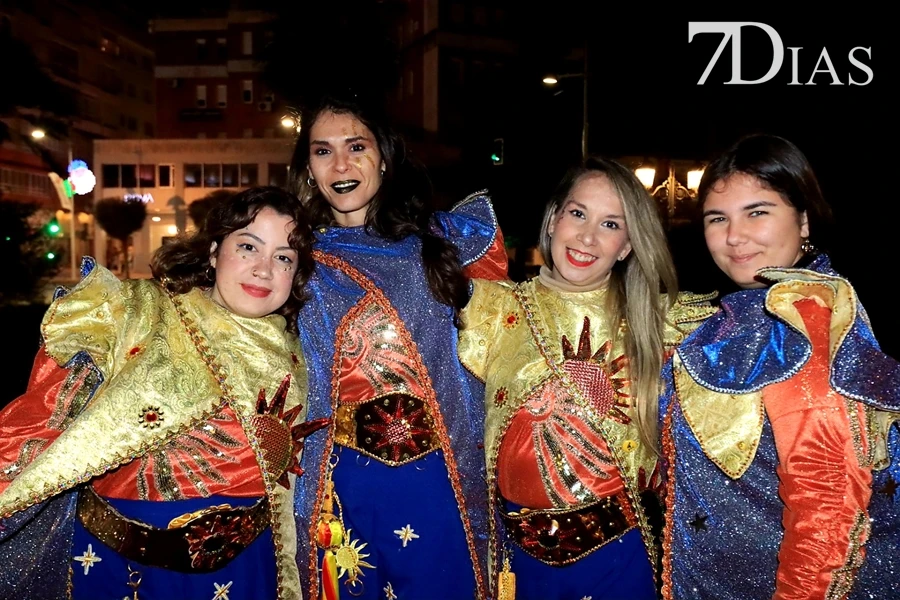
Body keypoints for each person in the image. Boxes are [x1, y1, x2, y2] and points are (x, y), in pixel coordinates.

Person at [0, 186, 328, 600]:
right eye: (248, 247)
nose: (264, 269)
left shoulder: (301, 351)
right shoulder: (134, 311)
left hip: (250, 569)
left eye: (283, 257)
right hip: (122, 569)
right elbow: (42, 417)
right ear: (213, 252)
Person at [457, 157, 717, 600]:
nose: (587, 236)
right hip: (516, 563)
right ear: (554, 219)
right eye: (578, 214)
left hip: (618, 562)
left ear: (628, 246)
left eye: (611, 224)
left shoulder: (665, 325)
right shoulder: (490, 310)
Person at [287, 91, 508, 600]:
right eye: (322, 151)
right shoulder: (293, 259)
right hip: (342, 487)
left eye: (356, 146)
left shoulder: (448, 243)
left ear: (384, 156)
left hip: (442, 481)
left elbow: (505, 353)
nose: (340, 164)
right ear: (308, 167)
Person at [660, 134, 900, 599]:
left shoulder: (805, 319)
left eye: (758, 212)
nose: (734, 236)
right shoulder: (744, 314)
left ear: (804, 220)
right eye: (717, 218)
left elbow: (827, 513)